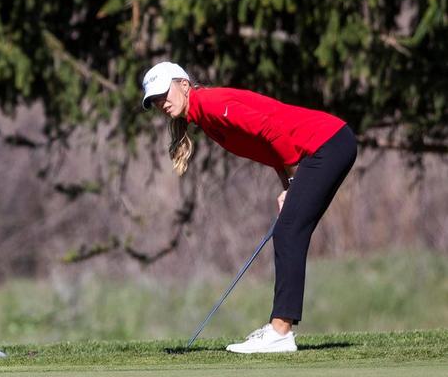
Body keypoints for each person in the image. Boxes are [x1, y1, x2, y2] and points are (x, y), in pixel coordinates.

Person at [141, 61, 357, 353]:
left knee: (289, 231)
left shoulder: (211, 105)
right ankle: (279, 329)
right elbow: (270, 148)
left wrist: (294, 180)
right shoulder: (203, 116)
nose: (161, 103)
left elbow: (269, 129)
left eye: (163, 93)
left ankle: (280, 332)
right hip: (325, 146)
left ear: (183, 84)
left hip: (326, 144)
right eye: (154, 101)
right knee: (290, 230)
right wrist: (288, 185)